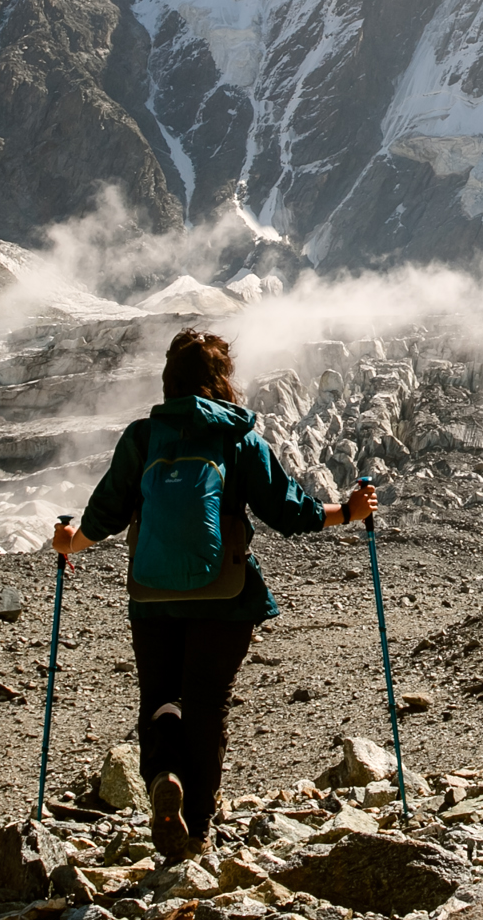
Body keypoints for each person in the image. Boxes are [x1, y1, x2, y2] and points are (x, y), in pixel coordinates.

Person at [52, 328, 376, 861]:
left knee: (159, 696)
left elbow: (105, 514)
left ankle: (162, 777)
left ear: (169, 381)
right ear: (223, 380)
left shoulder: (141, 437)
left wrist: (72, 542)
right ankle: (197, 828)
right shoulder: (238, 438)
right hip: (225, 595)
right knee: (207, 705)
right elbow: (288, 512)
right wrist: (349, 512)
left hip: (152, 595)